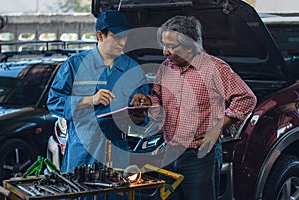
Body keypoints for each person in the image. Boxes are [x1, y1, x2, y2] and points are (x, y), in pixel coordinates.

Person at [131, 15, 257, 200]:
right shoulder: (166, 68)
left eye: (172, 47)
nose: (165, 52)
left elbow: (246, 98)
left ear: (190, 46)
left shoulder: (215, 68)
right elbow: (158, 99)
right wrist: (147, 102)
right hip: (169, 151)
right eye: (164, 45)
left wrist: (217, 129)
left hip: (200, 156)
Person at [47, 9, 149, 199]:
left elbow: (143, 116)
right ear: (100, 35)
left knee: (116, 195)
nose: (123, 42)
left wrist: (140, 112)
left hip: (118, 153)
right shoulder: (74, 65)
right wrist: (88, 100)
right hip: (82, 153)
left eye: (125, 37)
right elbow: (53, 102)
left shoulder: (131, 68)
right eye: (117, 37)